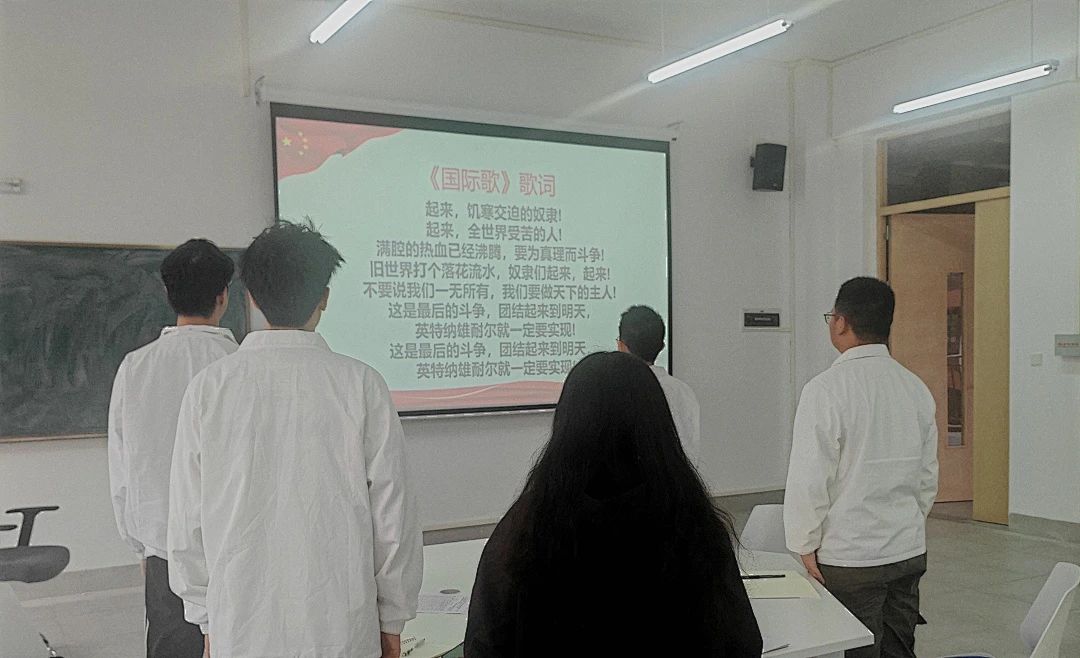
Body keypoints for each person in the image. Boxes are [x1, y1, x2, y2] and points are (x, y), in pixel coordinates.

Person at [168, 220, 423, 658]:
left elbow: (186, 522)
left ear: (250, 297)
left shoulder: (209, 388)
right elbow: (393, 516)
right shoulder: (362, 385)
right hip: (342, 627)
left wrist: (206, 617)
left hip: (240, 624)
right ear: (324, 297)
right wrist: (392, 618)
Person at [464, 351, 762, 657]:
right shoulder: (694, 526)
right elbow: (742, 644)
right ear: (658, 426)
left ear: (566, 425)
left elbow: (483, 645)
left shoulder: (526, 530)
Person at [784, 277, 938, 658]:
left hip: (850, 558)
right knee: (900, 649)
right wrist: (905, 523)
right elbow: (926, 478)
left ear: (841, 322)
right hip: (906, 551)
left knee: (857, 649)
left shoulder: (825, 390)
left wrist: (803, 543)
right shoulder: (915, 388)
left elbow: (809, 479)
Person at [108, 238, 238, 658]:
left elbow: (123, 467)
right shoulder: (239, 364)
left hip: (162, 545)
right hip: (233, 544)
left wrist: (139, 545)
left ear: (167, 293)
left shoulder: (136, 366)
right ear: (223, 296)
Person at [616, 305, 701, 464]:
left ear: (621, 346)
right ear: (662, 346)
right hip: (680, 477)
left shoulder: (616, 391)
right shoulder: (683, 391)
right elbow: (691, 447)